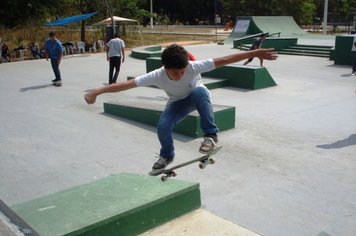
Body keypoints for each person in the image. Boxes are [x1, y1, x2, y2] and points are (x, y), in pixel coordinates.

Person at [84, 44, 278, 174]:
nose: (179, 75)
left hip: (197, 97)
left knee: (200, 92)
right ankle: (167, 155)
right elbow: (126, 85)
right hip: (177, 103)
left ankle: (210, 135)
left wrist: (255, 53)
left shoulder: (194, 66)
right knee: (163, 126)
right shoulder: (156, 75)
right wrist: (98, 91)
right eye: (174, 73)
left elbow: (225, 59)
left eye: (182, 71)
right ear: (164, 67)